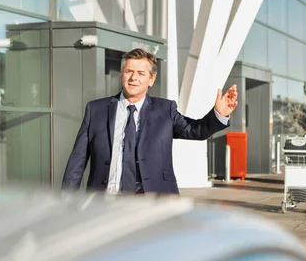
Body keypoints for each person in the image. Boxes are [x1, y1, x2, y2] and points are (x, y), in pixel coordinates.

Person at [62, 48, 238, 195]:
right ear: (122, 74)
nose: (134, 78)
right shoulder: (96, 110)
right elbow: (77, 160)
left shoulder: (165, 110)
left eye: (141, 73)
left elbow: (196, 130)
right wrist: (67, 201)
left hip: (152, 202)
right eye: (129, 71)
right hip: (104, 202)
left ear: (151, 79)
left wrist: (218, 114)